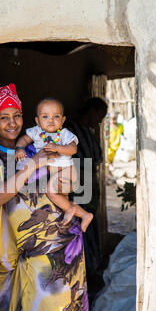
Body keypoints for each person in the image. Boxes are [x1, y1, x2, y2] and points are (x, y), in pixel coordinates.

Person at [0, 84, 92, 311]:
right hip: (18, 251)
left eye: (16, 116)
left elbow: (69, 184)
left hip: (60, 242)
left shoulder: (39, 143)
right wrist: (33, 165)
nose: (12, 123)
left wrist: (71, 195)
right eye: (3, 117)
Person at [15, 98, 94, 232]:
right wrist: (19, 148)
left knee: (51, 192)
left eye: (56, 116)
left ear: (62, 120)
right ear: (37, 120)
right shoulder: (36, 132)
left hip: (66, 171)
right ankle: (85, 215)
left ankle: (71, 209)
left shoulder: (64, 134)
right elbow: (23, 139)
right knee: (61, 199)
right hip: (54, 173)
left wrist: (58, 148)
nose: (51, 120)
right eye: (45, 116)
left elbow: (73, 149)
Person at [66, 97, 107, 294]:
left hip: (88, 187)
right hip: (77, 187)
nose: (97, 122)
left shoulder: (89, 134)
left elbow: (97, 158)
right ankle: (84, 271)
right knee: (80, 227)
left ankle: (91, 270)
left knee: (89, 225)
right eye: (97, 117)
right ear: (90, 111)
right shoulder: (70, 130)